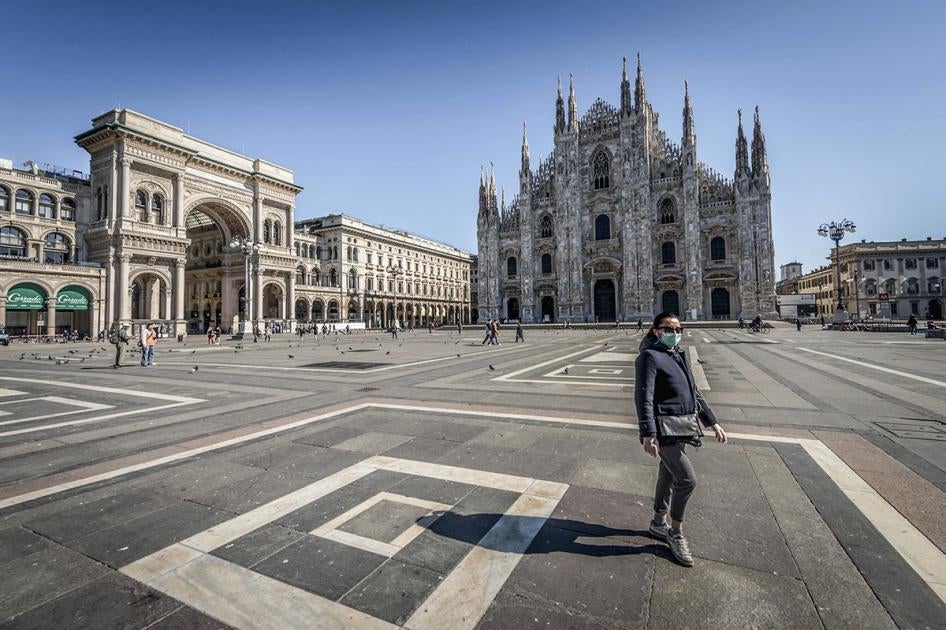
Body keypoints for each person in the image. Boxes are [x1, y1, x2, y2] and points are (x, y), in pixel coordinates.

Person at [635, 312, 727, 567]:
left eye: (678, 329)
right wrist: (648, 433)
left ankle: (658, 522)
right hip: (664, 429)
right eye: (669, 329)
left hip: (682, 425)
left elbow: (694, 392)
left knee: (667, 474)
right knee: (687, 480)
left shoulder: (678, 354)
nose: (674, 333)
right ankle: (675, 532)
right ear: (656, 331)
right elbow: (644, 397)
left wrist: (712, 421)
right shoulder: (649, 356)